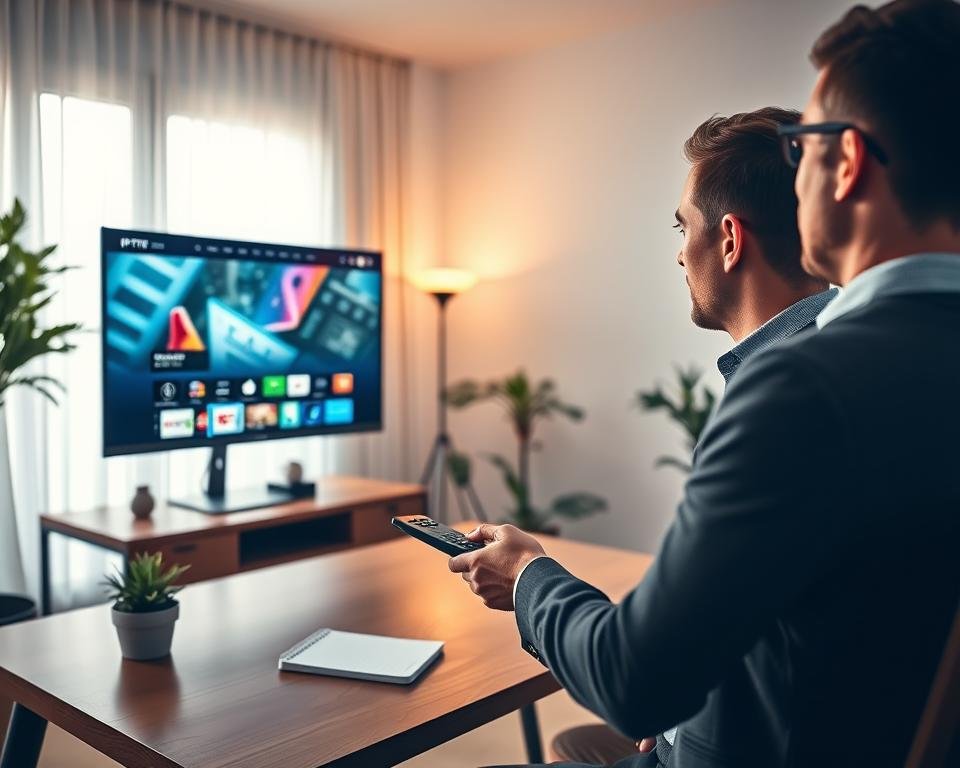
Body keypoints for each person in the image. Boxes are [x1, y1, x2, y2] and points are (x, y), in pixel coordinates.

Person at [449, 1, 960, 766]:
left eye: (806, 141)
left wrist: (527, 574)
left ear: (846, 161)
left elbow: (634, 683)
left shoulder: (804, 390)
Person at [552, 106, 835, 768]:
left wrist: (528, 574)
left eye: (684, 226)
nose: (680, 251)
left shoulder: (787, 396)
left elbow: (634, 682)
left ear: (730, 240)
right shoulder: (848, 361)